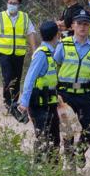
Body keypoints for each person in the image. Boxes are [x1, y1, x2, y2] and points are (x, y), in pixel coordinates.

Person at [53, 10, 90, 167]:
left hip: (84, 95)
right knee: (68, 130)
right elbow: (54, 66)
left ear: (89, 27)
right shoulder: (64, 44)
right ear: (73, 26)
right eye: (79, 24)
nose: (82, 27)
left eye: (85, 24)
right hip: (65, 94)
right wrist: (54, 91)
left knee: (89, 128)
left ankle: (80, 152)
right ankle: (70, 163)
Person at [19, 21, 64, 163]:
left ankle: (53, 171)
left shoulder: (51, 52)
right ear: (56, 35)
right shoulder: (41, 54)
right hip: (39, 104)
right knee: (44, 138)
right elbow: (30, 79)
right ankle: (39, 171)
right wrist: (24, 102)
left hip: (50, 103)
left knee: (54, 138)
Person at [0, 0, 37, 111]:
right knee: (7, 76)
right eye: (10, 3)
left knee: (17, 78)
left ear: (19, 5)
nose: (12, 5)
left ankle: (14, 101)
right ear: (6, 4)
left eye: (14, 3)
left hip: (19, 53)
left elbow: (30, 34)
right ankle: (8, 101)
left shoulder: (24, 17)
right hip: (4, 53)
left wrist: (34, 51)